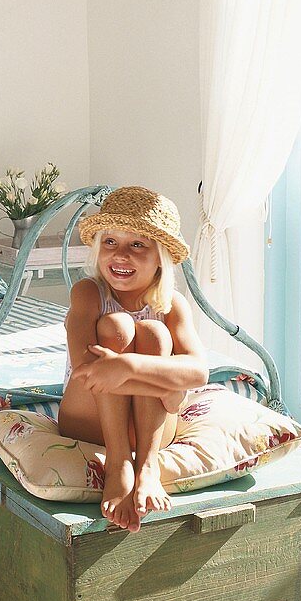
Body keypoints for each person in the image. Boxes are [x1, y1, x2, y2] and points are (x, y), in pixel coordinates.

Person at [58, 186, 208, 532]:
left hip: (150, 430)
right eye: (110, 243)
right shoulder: (87, 293)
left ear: (161, 258)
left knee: (155, 334)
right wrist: (167, 384)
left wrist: (128, 366)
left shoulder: (172, 304)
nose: (120, 255)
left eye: (137, 244)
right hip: (89, 416)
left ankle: (148, 466)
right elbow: (85, 371)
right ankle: (119, 462)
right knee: (116, 325)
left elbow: (199, 372)